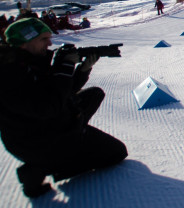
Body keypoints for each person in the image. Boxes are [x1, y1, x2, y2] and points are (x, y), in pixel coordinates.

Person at [0, 18, 127, 198]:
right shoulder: (9, 74)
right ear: (25, 43)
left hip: (48, 125)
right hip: (36, 143)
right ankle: (39, 168)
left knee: (94, 94)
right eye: (43, 39)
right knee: (116, 153)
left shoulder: (32, 60)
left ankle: (75, 134)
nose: (50, 43)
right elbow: (48, 107)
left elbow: (63, 92)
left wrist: (82, 70)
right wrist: (65, 67)